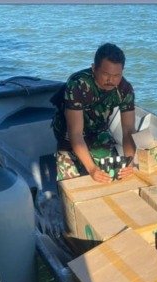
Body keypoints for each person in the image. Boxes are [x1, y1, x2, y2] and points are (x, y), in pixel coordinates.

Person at [51, 43, 136, 183]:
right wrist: (91, 169)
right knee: (71, 184)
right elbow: (75, 134)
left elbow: (128, 131)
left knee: (113, 175)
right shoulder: (78, 85)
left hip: (98, 130)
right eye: (106, 74)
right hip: (68, 134)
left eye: (117, 75)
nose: (111, 80)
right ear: (94, 68)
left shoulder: (125, 89)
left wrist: (130, 162)